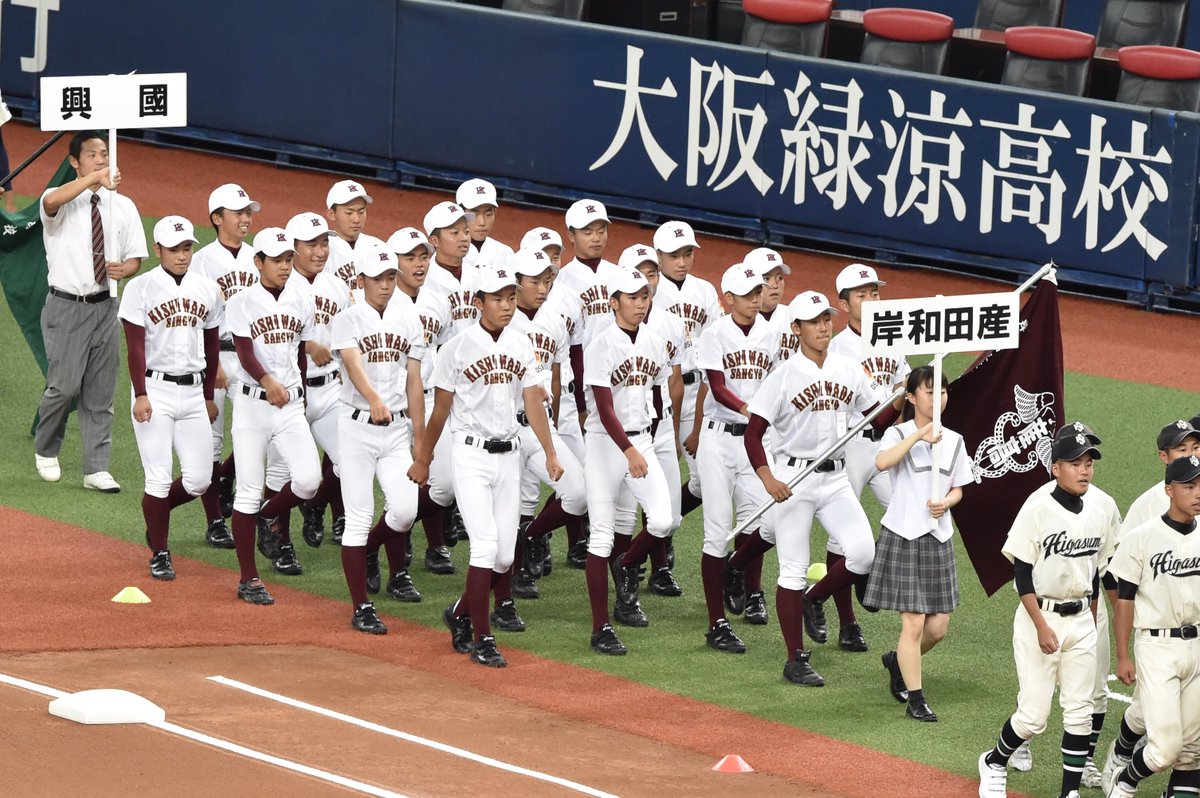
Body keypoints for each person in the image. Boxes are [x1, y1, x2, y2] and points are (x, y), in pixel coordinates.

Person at [411, 264, 562, 668]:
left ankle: (460, 612)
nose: (507, 305)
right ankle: (483, 637)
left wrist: (549, 451)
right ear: (478, 303)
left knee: (505, 558)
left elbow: (532, 400)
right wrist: (423, 459)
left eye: (511, 297)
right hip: (471, 456)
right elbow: (440, 410)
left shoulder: (521, 344)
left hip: (510, 456)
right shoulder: (455, 349)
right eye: (497, 298)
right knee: (485, 547)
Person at [741, 291, 889, 686]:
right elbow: (754, 434)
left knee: (863, 553)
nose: (823, 326)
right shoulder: (782, 377)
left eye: (826, 318)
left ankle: (814, 598)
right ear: (797, 329)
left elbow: (877, 417)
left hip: (836, 478)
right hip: (793, 479)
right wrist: (768, 479)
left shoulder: (848, 368)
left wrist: (911, 395)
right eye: (814, 321)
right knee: (791, 567)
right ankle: (795, 658)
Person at [977, 432, 1118, 798]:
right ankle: (994, 761)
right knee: (1033, 717)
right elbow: (1021, 574)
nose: (1084, 471)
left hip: (1082, 621)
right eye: (1075, 464)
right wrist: (1040, 625)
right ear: (1056, 469)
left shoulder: (1100, 511)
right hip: (1040, 617)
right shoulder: (1037, 508)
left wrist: (1092, 622)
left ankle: (1068, 792)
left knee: (1079, 712)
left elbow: (1099, 573)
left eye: (1088, 464)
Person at [35, 130, 147, 491]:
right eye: (92, 154)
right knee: (64, 387)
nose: (101, 159)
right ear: (74, 162)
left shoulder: (123, 206)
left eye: (104, 153)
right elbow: (51, 201)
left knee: (100, 391)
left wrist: (125, 270)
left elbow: (135, 258)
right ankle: (46, 447)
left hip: (105, 307)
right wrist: (93, 181)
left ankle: (96, 468)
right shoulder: (61, 200)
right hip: (67, 306)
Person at [118, 216, 222, 580]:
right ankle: (160, 551)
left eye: (187, 248)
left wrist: (209, 396)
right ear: (157, 249)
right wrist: (141, 394)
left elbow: (211, 346)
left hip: (194, 392)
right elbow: (134, 348)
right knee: (158, 479)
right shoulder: (140, 288)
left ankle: (155, 515)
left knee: (200, 480)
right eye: (175, 249)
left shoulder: (207, 289)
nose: (182, 255)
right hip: (155, 390)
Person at [868, 365, 973, 722]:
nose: (938, 397)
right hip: (904, 535)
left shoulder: (955, 440)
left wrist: (948, 502)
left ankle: (897, 662)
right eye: (929, 391)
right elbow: (882, 463)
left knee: (937, 627)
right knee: (912, 625)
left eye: (942, 390)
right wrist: (917, 437)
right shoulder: (897, 433)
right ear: (911, 397)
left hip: (938, 536)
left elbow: (960, 486)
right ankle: (916, 698)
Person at [224, 227, 322, 606]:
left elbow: (299, 352)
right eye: (276, 260)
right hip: (252, 406)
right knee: (247, 489)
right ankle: (248, 578)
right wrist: (267, 380)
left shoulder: (302, 298)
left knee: (309, 481)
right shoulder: (242, 301)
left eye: (287, 260)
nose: (284, 266)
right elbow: (246, 353)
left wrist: (304, 395)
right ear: (258, 262)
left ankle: (269, 515)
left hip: (291, 405)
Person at [1100, 419, 1200, 791]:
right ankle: (1123, 780)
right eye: (1189, 486)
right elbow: (1119, 584)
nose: (1196, 492)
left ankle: (1126, 765)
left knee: (1191, 750)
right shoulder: (1146, 522)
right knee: (1163, 749)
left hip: (1196, 644)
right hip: (1157, 642)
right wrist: (1124, 652)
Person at [332, 245, 426, 634]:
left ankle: (367, 552)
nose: (386, 285)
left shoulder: (410, 319)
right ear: (361, 282)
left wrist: (422, 440)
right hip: (355, 428)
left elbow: (414, 381)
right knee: (357, 515)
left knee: (405, 511)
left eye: (390, 277)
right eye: (378, 279)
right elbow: (353, 364)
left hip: (396, 432)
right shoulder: (347, 319)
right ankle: (361, 606)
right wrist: (373, 399)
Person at [582, 267, 674, 654]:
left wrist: (646, 440)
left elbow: (657, 390)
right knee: (602, 535)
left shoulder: (654, 340)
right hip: (606, 445)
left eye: (645, 296)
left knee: (664, 520)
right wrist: (629, 450)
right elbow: (604, 410)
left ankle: (626, 565)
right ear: (613, 301)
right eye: (633, 297)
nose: (640, 302)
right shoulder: (600, 345)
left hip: (641, 441)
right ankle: (601, 626)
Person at [820, 263, 909, 653]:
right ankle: (847, 622)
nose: (871, 299)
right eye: (862, 294)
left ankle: (870, 573)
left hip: (888, 442)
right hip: (851, 446)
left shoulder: (893, 336)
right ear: (843, 304)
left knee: (908, 510)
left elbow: (903, 393)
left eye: (875, 292)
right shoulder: (836, 348)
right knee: (841, 534)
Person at [694, 262, 776, 654]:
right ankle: (717, 624)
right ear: (729, 299)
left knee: (764, 522)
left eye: (758, 292)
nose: (755, 299)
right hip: (718, 441)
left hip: (755, 440)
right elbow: (716, 386)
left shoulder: (771, 333)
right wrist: (749, 409)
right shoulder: (714, 334)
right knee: (716, 530)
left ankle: (735, 570)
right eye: (747, 294)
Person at [509, 247, 587, 602]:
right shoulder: (501, 321)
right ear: (516, 283)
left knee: (578, 494)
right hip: (505, 427)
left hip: (540, 427)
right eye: (534, 282)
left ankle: (532, 536)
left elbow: (555, 378)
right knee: (517, 503)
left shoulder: (555, 321)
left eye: (547, 280)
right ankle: (516, 572)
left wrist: (552, 430)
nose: (542, 288)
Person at [189, 182, 261, 547]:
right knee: (211, 441)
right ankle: (215, 519)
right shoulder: (200, 261)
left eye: (249, 212)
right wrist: (210, 362)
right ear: (217, 218)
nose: (246, 218)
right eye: (239, 213)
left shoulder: (258, 256)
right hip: (215, 355)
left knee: (260, 429)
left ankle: (229, 479)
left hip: (251, 356)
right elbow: (197, 315)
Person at [277, 211, 351, 567]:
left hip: (328, 391)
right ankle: (277, 536)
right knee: (281, 473)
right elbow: (268, 341)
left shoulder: (337, 287)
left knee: (349, 462)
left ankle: (316, 504)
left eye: (324, 243)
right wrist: (308, 346)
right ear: (293, 249)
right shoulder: (277, 286)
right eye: (312, 244)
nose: (320, 251)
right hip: (289, 393)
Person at [655, 220, 720, 526]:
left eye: (687, 254)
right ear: (658, 255)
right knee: (653, 475)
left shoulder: (704, 290)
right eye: (673, 255)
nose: (681, 262)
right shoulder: (650, 293)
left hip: (699, 391)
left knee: (704, 481)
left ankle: (662, 523)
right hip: (664, 391)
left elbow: (714, 342)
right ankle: (656, 543)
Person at [325, 179, 385, 290]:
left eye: (361, 212)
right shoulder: (322, 251)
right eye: (349, 213)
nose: (356, 219)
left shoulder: (379, 246)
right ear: (331, 214)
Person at [457, 178, 514, 273]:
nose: (482, 222)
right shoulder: (447, 254)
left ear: (495, 212)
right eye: (474, 214)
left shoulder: (505, 253)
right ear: (461, 213)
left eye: (488, 214)